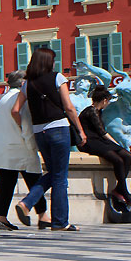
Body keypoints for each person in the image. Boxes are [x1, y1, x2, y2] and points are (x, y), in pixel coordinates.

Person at [12, 48, 87, 231]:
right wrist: (80, 130)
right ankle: (60, 222)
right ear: (48, 62)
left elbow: (15, 110)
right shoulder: (57, 77)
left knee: (54, 173)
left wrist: (24, 127)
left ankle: (27, 203)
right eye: (53, 60)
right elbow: (69, 107)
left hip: (40, 133)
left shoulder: (27, 84)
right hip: (59, 129)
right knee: (60, 178)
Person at [0, 71, 50, 229]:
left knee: (6, 182)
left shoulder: (3, 99)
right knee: (35, 179)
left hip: (5, 147)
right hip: (21, 146)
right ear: (23, 83)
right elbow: (26, 125)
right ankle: (43, 215)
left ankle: (0, 216)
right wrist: (33, 145)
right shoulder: (21, 99)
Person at [77, 86, 131, 205]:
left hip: (99, 141)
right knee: (118, 160)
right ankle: (124, 191)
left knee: (128, 156)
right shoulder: (92, 111)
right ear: (105, 100)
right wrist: (115, 144)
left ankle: (118, 189)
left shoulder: (98, 111)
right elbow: (102, 132)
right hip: (91, 142)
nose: (108, 104)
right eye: (108, 101)